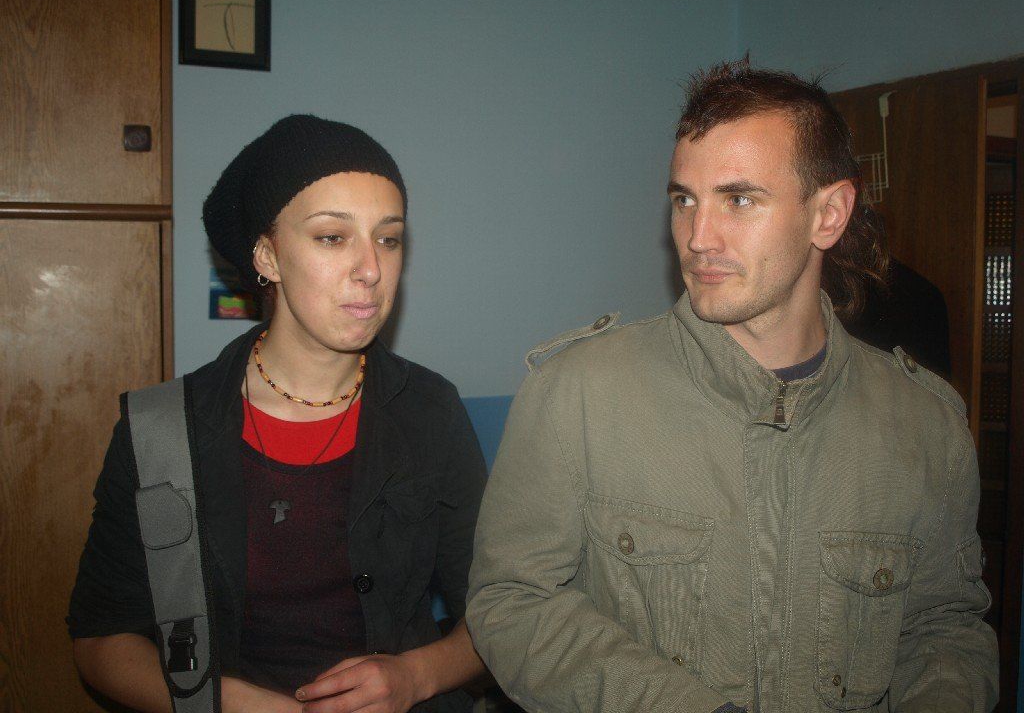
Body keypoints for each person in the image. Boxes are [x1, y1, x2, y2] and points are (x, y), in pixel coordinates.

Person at [466, 62, 998, 712]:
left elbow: (945, 629)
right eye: (684, 200)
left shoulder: (926, 428)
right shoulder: (575, 396)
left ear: (828, 214)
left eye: (738, 199)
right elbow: (512, 600)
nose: (698, 237)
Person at [69, 115, 488, 713]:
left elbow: (500, 612)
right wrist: (222, 702)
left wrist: (416, 677)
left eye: (389, 239)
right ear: (267, 255)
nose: (371, 268)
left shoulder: (431, 412)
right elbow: (102, 637)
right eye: (332, 237)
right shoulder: (163, 430)